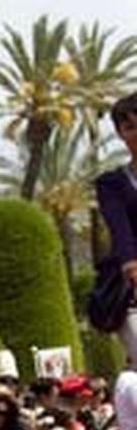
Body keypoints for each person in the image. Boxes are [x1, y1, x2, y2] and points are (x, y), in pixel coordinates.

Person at [94, 91, 137, 363]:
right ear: (121, 133)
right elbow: (120, 231)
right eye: (129, 127)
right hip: (132, 291)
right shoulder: (111, 183)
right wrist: (132, 267)